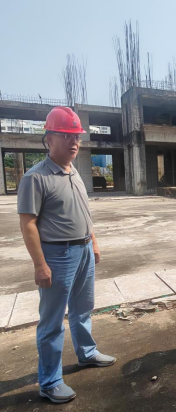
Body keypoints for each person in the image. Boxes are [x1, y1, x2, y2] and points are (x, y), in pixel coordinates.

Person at [18, 107, 116, 404]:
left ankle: (86, 353)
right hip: (57, 254)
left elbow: (84, 213)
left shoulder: (74, 172)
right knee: (52, 321)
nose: (74, 142)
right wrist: (40, 265)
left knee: (83, 308)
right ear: (49, 139)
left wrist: (93, 243)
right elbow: (28, 223)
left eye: (77, 137)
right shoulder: (35, 178)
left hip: (83, 249)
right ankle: (49, 381)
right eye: (66, 136)